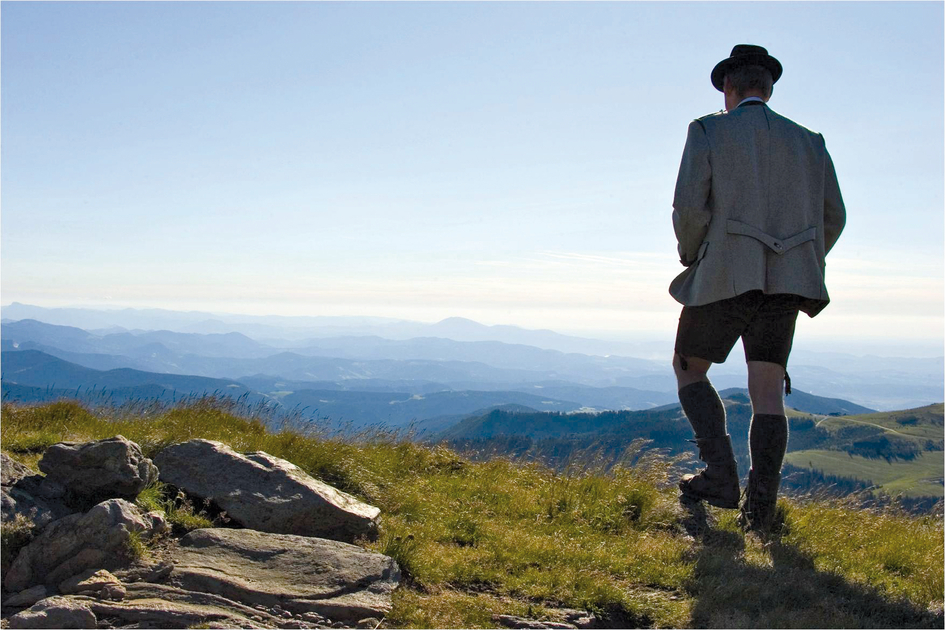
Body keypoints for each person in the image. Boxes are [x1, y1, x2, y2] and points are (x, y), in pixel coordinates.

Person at [669, 45, 846, 533]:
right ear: (768, 88)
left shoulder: (707, 130)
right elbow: (835, 217)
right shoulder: (811, 142)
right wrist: (802, 258)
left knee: (689, 368)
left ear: (729, 88)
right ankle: (760, 510)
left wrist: (692, 255)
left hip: (726, 271)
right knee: (768, 388)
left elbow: (690, 208)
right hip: (789, 280)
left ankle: (719, 478)